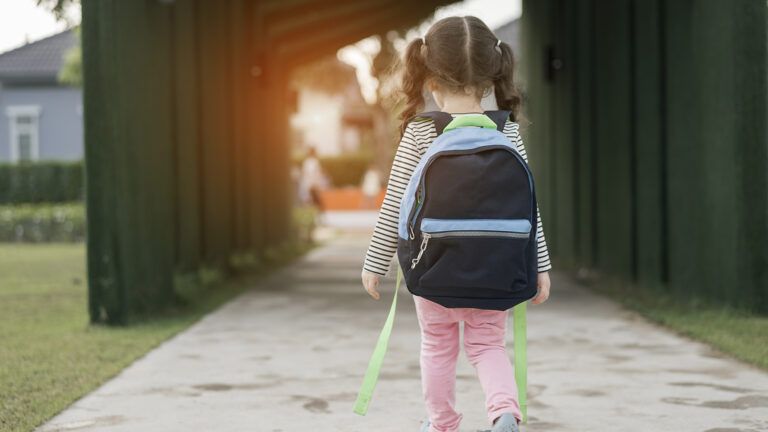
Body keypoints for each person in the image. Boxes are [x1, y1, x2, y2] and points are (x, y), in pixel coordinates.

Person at [359, 16, 552, 432]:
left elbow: (395, 204)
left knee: (438, 346)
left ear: (429, 78)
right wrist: (540, 267)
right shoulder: (508, 133)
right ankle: (504, 413)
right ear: (489, 77)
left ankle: (442, 424)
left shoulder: (419, 132)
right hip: (497, 269)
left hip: (435, 267)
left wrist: (375, 264)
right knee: (487, 345)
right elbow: (528, 208)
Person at [300, 146, 327, 225]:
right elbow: (312, 174)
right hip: (312, 186)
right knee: (316, 202)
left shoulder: (308, 162)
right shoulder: (312, 162)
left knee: (310, 202)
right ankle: (319, 219)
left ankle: (313, 219)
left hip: (309, 185)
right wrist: (314, 185)